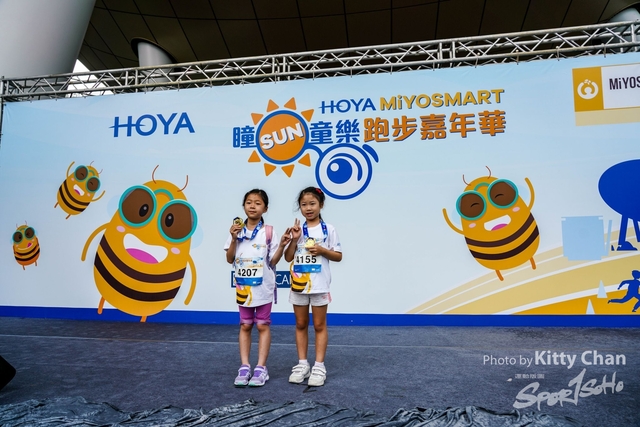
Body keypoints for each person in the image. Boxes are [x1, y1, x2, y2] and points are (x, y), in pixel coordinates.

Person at [224, 189, 289, 387]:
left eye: (258, 203)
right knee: (245, 325)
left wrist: (282, 245)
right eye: (249, 202)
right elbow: (229, 259)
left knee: (262, 325)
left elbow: (273, 261)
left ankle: (261, 368)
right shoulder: (236, 230)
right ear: (244, 206)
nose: (253, 206)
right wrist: (233, 238)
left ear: (265, 208)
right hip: (243, 287)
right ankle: (244, 367)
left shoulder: (268, 232)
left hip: (264, 287)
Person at [284, 186, 342, 387]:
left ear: (321, 205)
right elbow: (288, 257)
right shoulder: (297, 230)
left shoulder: (329, 229)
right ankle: (302, 364)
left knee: (319, 325)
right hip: (299, 285)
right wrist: (294, 240)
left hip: (320, 285)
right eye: (304, 205)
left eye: (312, 204)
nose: (308, 208)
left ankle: (319, 366)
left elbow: (338, 256)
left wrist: (322, 250)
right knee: (300, 324)